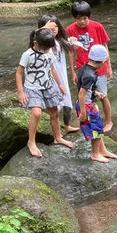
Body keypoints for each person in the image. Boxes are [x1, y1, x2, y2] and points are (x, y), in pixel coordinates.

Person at [16, 28, 74, 158]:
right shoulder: (28, 54)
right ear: (35, 43)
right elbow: (19, 73)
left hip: (48, 85)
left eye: (49, 48)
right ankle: (31, 142)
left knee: (54, 111)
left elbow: (52, 68)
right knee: (37, 113)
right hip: (32, 87)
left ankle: (58, 137)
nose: (47, 50)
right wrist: (21, 93)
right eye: (45, 47)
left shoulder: (48, 52)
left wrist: (60, 84)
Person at [66, 0, 114, 133]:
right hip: (83, 68)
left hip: (100, 68)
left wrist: (109, 66)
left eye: (85, 18)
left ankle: (109, 120)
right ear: (74, 18)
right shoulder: (70, 30)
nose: (82, 21)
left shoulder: (97, 27)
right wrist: (73, 72)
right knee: (85, 96)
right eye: (79, 19)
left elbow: (105, 47)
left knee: (103, 95)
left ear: (89, 16)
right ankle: (88, 119)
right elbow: (71, 52)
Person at [76, 44, 117, 163]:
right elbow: (81, 94)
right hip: (86, 105)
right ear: (101, 61)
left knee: (98, 126)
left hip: (88, 103)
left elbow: (84, 88)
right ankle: (95, 154)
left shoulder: (84, 68)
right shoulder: (91, 75)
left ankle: (102, 150)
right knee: (95, 129)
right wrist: (83, 112)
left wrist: (96, 93)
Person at [38, 14, 79, 134]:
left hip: (62, 77)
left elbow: (71, 50)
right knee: (55, 107)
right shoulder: (42, 44)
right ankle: (55, 132)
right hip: (50, 78)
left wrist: (72, 42)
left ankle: (67, 125)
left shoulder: (60, 41)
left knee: (67, 103)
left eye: (55, 26)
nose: (53, 29)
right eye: (49, 27)